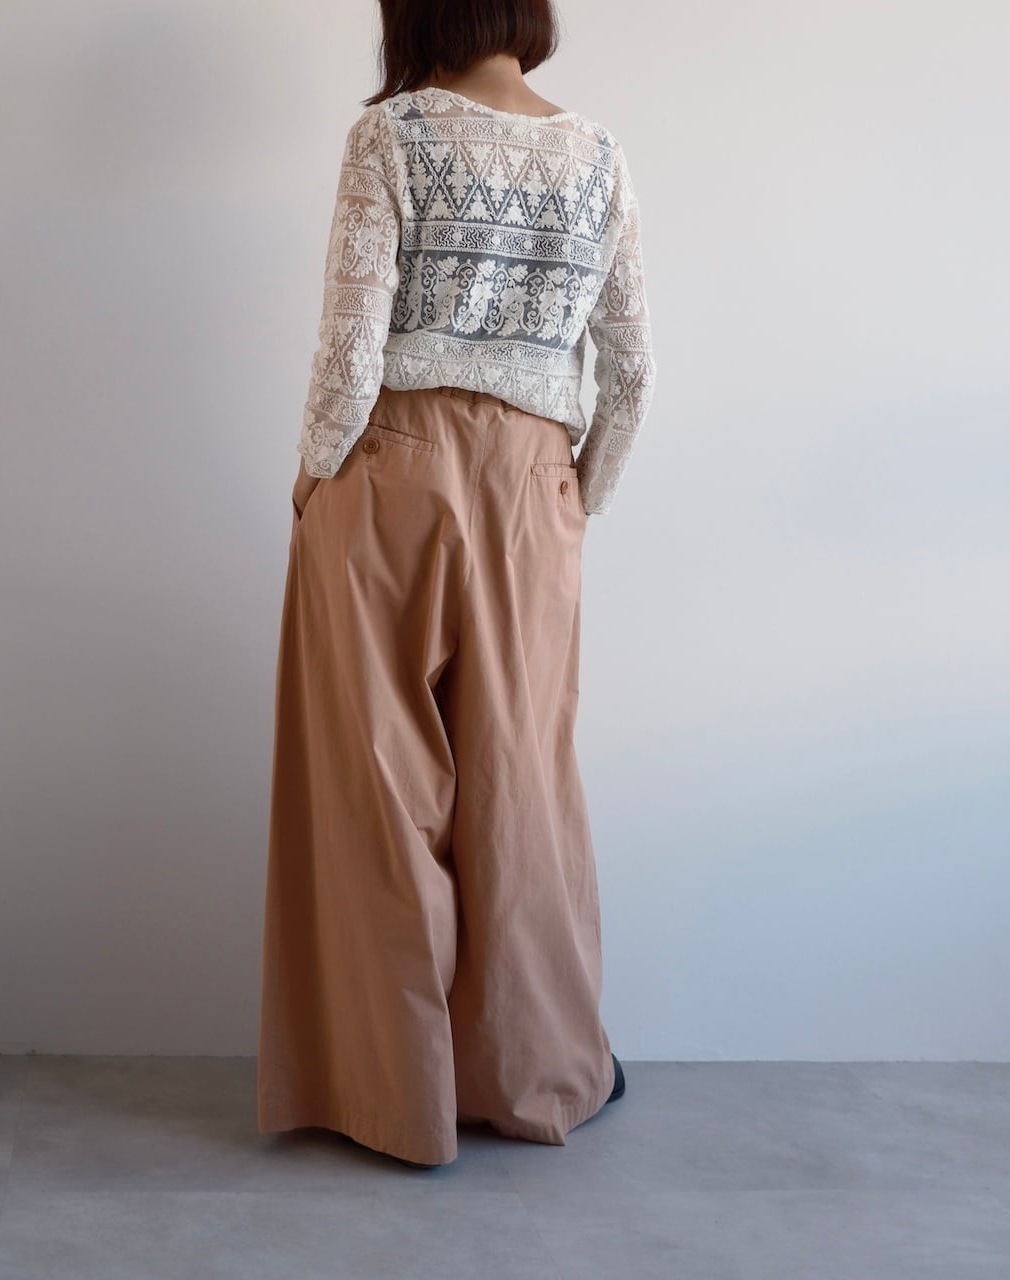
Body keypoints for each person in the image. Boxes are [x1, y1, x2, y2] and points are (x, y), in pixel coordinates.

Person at [257, 0, 656, 1169]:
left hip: (389, 466)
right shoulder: (597, 156)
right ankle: (537, 1074)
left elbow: (351, 342)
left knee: (376, 783)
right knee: (520, 778)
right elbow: (632, 368)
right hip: (534, 482)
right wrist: (574, 497)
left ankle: (391, 1097)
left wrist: (312, 479)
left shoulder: (392, 136)